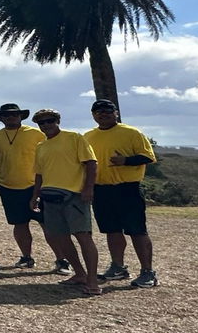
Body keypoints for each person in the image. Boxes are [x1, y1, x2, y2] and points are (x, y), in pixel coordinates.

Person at [85, 99, 159, 287]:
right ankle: (118, 267)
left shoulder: (132, 132)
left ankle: (148, 272)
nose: (103, 114)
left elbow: (148, 157)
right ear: (93, 115)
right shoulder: (88, 136)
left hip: (127, 188)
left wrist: (125, 160)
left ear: (116, 113)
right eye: (98, 112)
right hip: (101, 189)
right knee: (112, 230)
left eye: (108, 111)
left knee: (137, 230)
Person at [30, 109, 101, 295]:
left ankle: (93, 281)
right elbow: (39, 173)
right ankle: (80, 273)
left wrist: (88, 188)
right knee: (60, 237)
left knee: (83, 236)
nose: (46, 125)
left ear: (58, 120)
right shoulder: (41, 146)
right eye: (41, 122)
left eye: (50, 121)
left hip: (74, 196)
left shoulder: (74, 138)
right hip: (50, 196)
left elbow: (91, 163)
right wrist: (35, 196)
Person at [0, 102, 47, 270]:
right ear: (1, 118)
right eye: (6, 115)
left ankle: (61, 259)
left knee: (47, 224)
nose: (11, 117)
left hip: (36, 186)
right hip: (8, 187)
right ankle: (26, 257)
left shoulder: (37, 134)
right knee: (20, 224)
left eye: (14, 114)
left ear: (21, 116)